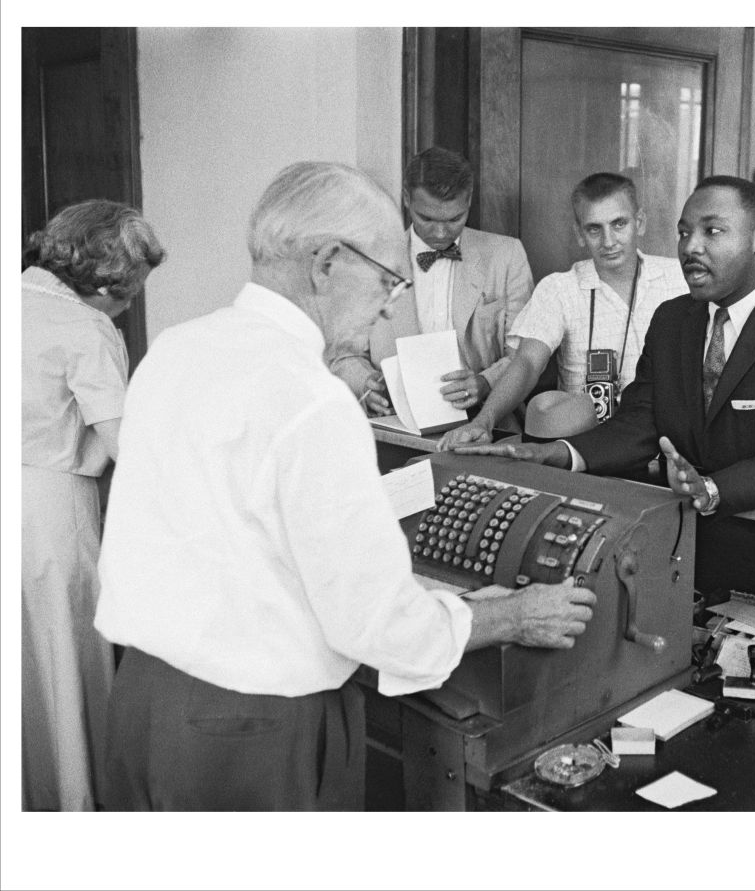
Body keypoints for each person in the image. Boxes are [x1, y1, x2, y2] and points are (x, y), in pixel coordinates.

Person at [94, 162, 595, 811]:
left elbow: (242, 543)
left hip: (138, 702)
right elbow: (377, 625)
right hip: (250, 732)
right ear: (326, 263)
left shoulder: (174, 348)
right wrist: (513, 614)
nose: (392, 300)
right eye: (388, 279)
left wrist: (417, 591)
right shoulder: (314, 400)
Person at [453, 176, 755, 518]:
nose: (691, 247)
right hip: (679, 527)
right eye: (684, 232)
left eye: (712, 231)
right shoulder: (673, 320)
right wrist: (557, 454)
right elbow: (640, 422)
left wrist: (711, 489)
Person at [21, 200, 166, 811]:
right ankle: (74, 804)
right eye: (130, 295)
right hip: (50, 508)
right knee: (61, 655)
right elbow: (127, 450)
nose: (129, 308)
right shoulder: (85, 328)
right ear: (108, 285)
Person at [438, 172, 685, 450]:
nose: (608, 241)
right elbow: (528, 362)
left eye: (619, 224)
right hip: (586, 450)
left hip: (669, 447)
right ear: (579, 233)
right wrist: (484, 420)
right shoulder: (559, 288)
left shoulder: (679, 279)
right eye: (594, 229)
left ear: (639, 223)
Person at [327, 146, 533, 424]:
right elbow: (343, 355)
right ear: (406, 199)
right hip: (395, 425)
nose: (439, 233)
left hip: (487, 423)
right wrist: (365, 383)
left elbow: (525, 354)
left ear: (469, 201)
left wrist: (486, 382)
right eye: (426, 219)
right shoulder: (368, 261)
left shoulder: (506, 255)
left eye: (454, 219)